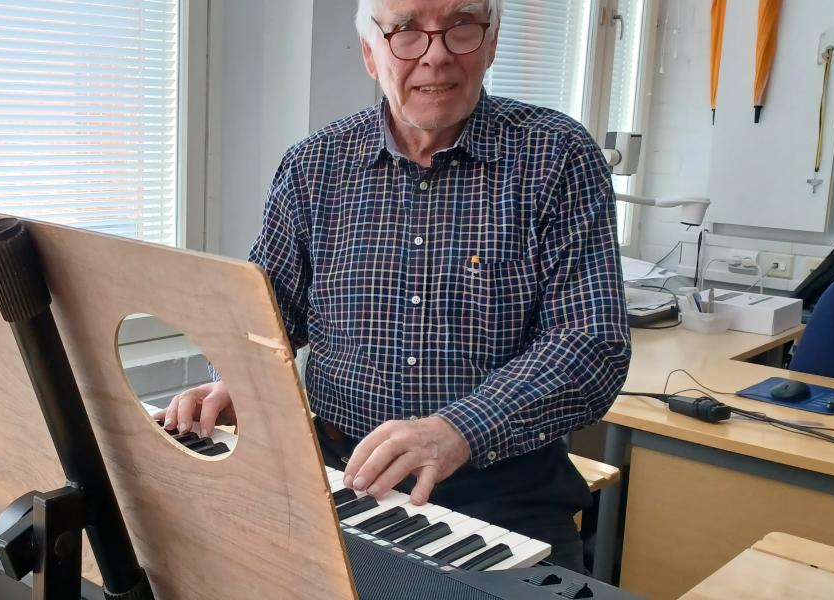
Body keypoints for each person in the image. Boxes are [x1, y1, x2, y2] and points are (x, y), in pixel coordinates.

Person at [161, 0, 630, 571]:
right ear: (370, 53)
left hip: (503, 495)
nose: (436, 56)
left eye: (461, 27)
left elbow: (590, 344)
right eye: (406, 31)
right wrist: (234, 378)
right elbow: (263, 313)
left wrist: (459, 429)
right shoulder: (314, 165)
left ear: (490, 44)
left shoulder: (557, 156)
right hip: (341, 477)